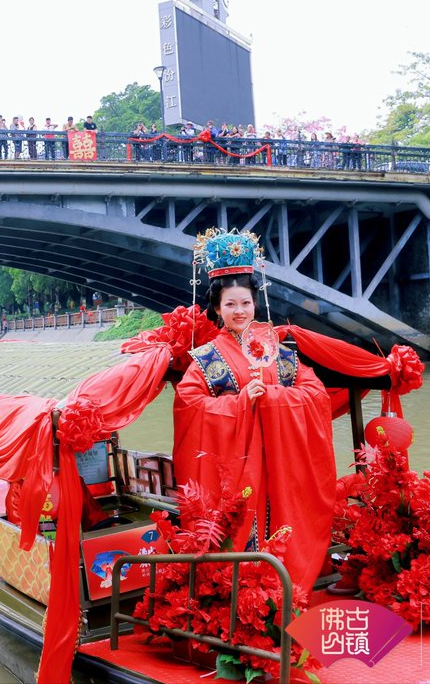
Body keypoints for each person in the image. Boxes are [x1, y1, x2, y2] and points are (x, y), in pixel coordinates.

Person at [172, 228, 335, 596]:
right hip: (234, 464)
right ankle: (245, 592)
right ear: (217, 309)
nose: (239, 311)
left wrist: (275, 398)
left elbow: (315, 393)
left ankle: (284, 584)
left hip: (280, 462)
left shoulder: (279, 351)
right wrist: (240, 403)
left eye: (245, 303)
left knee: (282, 527)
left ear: (255, 303)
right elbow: (190, 405)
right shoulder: (206, 360)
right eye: (230, 305)